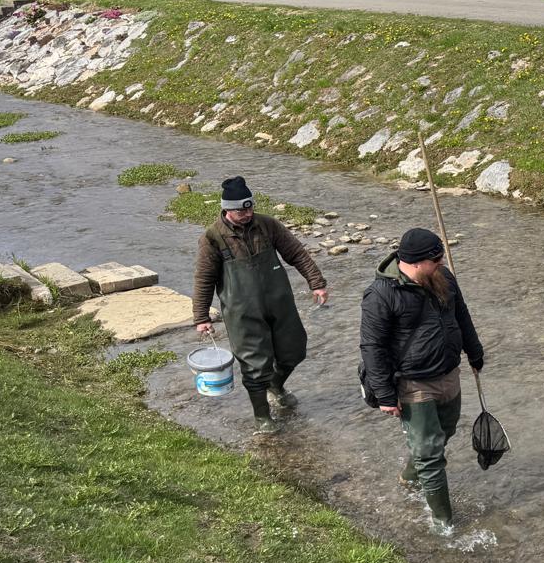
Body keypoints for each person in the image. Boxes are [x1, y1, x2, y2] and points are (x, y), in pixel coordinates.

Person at [359, 227, 485, 534]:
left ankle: (409, 476)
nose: (442, 263)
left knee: (445, 433)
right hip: (413, 384)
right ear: (415, 262)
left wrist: (475, 351)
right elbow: (372, 347)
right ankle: (446, 526)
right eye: (436, 260)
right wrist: (385, 395)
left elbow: (461, 314)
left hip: (449, 374)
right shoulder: (381, 295)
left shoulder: (444, 278)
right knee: (431, 456)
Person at [192, 176, 329, 435]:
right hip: (242, 312)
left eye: (249, 208)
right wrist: (201, 317)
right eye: (240, 211)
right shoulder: (212, 238)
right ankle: (262, 416)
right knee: (255, 366)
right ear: (227, 210)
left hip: (280, 303)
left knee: (294, 351)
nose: (247, 214)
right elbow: (204, 278)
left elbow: (297, 253)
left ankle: (275, 385)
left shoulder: (267, 225)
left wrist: (316, 283)